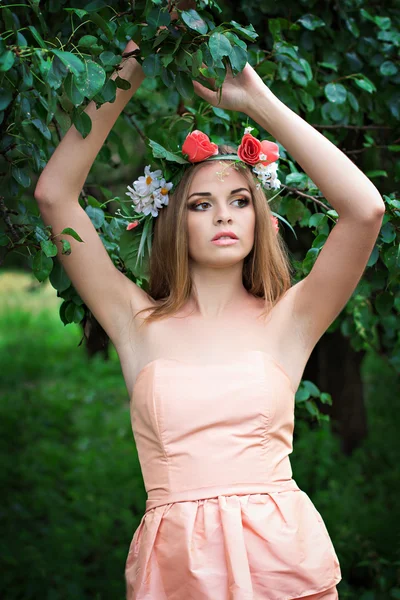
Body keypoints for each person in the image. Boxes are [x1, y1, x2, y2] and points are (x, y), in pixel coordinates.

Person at [34, 36, 385, 600]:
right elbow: (54, 197)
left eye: (240, 201)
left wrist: (258, 102)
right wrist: (134, 67)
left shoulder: (292, 318)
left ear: (259, 217)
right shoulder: (133, 321)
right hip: (176, 570)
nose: (224, 214)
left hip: (283, 565)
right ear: (174, 220)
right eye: (201, 204)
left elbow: (365, 211)